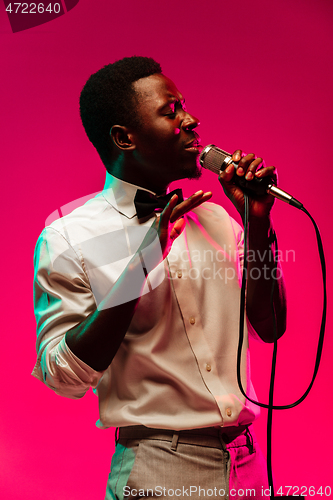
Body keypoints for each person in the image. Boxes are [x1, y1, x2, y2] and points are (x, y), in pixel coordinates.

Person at [32, 56, 286, 499]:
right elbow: (63, 377)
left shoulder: (218, 218)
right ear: (124, 137)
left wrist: (258, 225)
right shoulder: (69, 235)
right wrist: (143, 263)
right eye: (171, 111)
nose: (192, 120)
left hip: (246, 465)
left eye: (185, 106)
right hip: (157, 469)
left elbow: (271, 326)